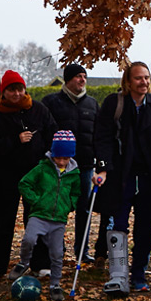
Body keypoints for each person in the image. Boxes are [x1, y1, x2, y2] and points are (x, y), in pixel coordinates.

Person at [93, 62, 151, 296]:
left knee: (146, 227)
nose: (144, 82)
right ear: (127, 82)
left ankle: (139, 273)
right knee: (117, 224)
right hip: (121, 175)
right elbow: (103, 137)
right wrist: (104, 167)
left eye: (147, 78)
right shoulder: (114, 103)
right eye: (139, 78)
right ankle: (118, 274)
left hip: (150, 176)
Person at [0, 71, 56, 282]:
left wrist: (48, 161)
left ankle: (41, 264)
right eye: (11, 89)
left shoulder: (38, 110)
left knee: (38, 219)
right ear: (4, 91)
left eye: (20, 89)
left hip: (36, 175)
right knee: (0, 221)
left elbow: (52, 135)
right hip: (5, 175)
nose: (16, 93)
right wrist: (14, 140)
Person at [40, 63, 99, 268]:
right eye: (78, 76)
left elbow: (97, 135)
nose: (82, 80)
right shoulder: (51, 102)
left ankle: (82, 251)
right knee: (58, 208)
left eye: (84, 76)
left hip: (84, 166)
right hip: (59, 167)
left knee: (84, 209)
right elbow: (44, 132)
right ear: (68, 79)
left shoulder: (92, 104)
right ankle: (56, 249)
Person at [11, 129, 82, 295]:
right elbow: (24, 183)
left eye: (66, 158)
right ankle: (24, 262)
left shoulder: (74, 174)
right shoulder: (42, 168)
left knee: (57, 253)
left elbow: (76, 193)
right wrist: (36, 200)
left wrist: (70, 205)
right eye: (58, 157)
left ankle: (54, 285)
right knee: (29, 239)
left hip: (58, 220)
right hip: (39, 215)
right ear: (53, 154)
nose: (62, 161)